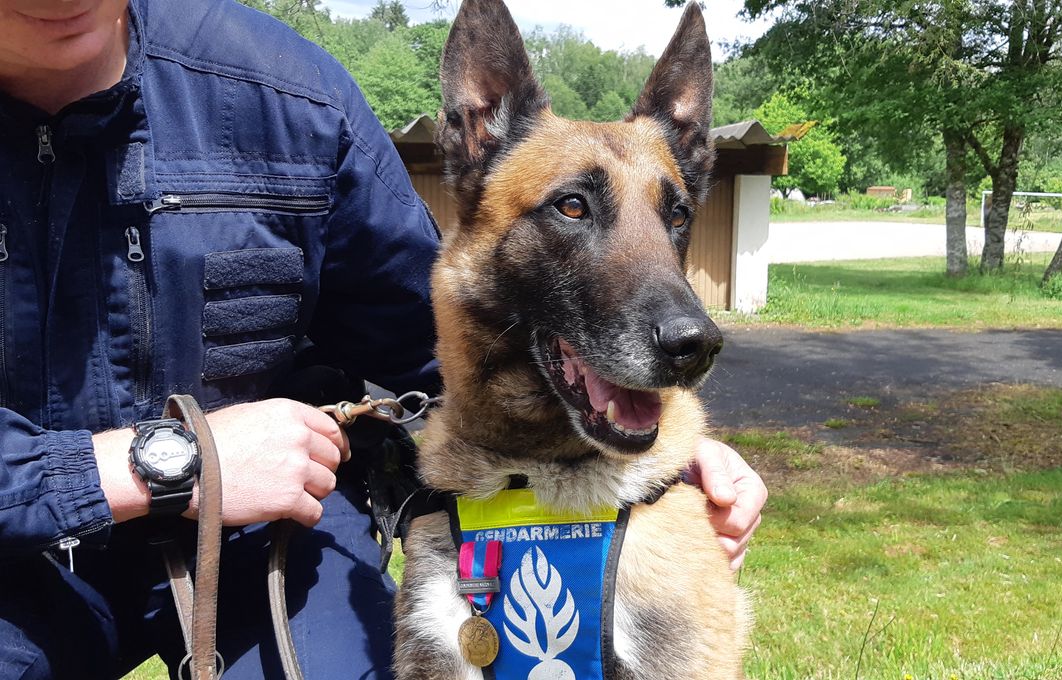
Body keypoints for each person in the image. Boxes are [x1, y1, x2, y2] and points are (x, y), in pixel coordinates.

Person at [0, 0, 768, 678]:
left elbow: (436, 335)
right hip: (19, 552)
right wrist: (158, 464)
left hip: (269, 529)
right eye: (571, 208)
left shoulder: (285, 94)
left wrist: (653, 433)